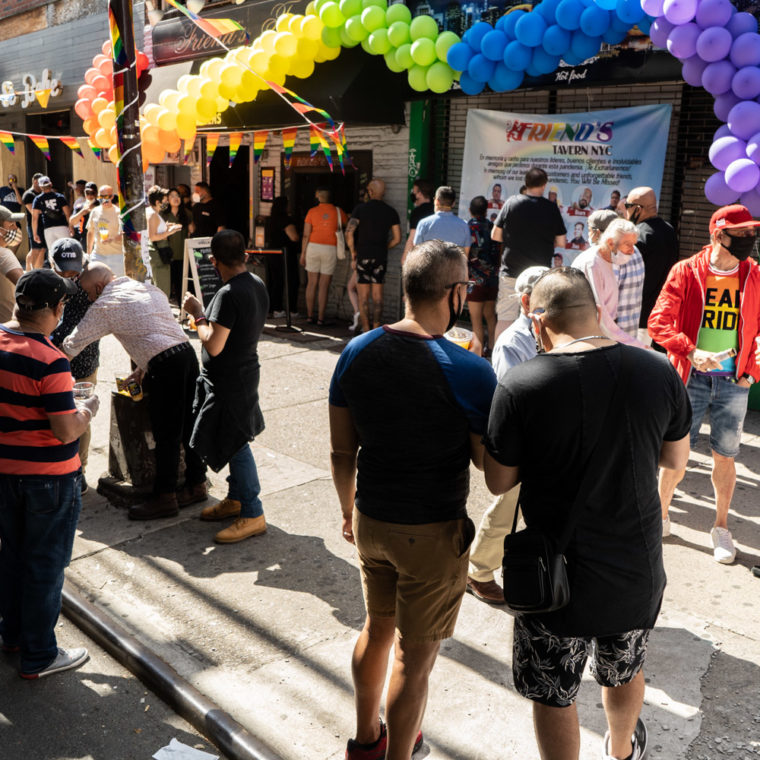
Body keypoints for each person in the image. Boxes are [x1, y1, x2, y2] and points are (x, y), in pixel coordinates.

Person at [484, 266, 691, 760]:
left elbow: (498, 481)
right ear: (597, 313)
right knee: (624, 668)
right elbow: (676, 461)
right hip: (634, 566)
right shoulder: (656, 370)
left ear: (538, 324)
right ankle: (622, 752)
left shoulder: (522, 384)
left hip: (554, 572)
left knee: (553, 689)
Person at [329, 239, 496, 760]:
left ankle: (365, 741)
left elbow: (341, 452)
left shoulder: (356, 351)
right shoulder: (470, 370)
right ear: (453, 293)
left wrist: (347, 511)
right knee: (414, 659)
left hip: (371, 518)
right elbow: (488, 469)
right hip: (431, 531)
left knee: (377, 631)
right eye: (465, 288)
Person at [0, 269, 99, 679]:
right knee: (44, 564)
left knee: (12, 556)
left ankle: (14, 635)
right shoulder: (51, 359)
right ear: (57, 309)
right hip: (49, 480)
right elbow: (65, 429)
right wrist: (88, 410)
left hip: (5, 473)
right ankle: (39, 655)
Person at [649, 204, 760, 563]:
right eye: (740, 233)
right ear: (717, 234)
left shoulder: (755, 275)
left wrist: (752, 371)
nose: (749, 238)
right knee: (675, 457)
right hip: (690, 377)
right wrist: (691, 352)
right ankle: (660, 516)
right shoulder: (686, 272)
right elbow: (659, 322)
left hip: (733, 382)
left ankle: (721, 527)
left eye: (751, 232)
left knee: (725, 457)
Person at [62, 262, 207, 521]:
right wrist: (143, 366)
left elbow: (74, 343)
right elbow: (155, 329)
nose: (90, 298)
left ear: (98, 286)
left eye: (89, 292)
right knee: (188, 425)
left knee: (167, 433)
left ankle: (165, 498)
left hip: (165, 366)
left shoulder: (105, 304)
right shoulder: (146, 288)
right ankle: (197, 484)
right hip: (186, 356)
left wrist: (42, 359)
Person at [182, 230, 270, 544]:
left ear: (214, 261)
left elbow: (214, 344)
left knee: (236, 441)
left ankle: (253, 512)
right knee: (233, 437)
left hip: (231, 378)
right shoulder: (256, 283)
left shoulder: (228, 293)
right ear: (245, 255)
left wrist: (198, 315)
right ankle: (237, 498)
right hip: (243, 372)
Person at [466, 265, 547, 604]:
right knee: (507, 510)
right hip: (525, 441)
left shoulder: (550, 332)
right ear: (526, 302)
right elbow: (512, 398)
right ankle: (479, 570)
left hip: (547, 438)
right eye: (546, 300)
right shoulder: (513, 341)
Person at [49, 238, 100, 495]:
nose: (69, 275)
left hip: (83, 364)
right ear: (52, 263)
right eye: (63, 270)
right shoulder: (47, 283)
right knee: (53, 415)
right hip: (49, 364)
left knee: (82, 416)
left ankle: (78, 472)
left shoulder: (92, 282)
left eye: (74, 270)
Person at [492, 167, 567, 339]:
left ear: (525, 183)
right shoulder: (551, 208)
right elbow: (561, 241)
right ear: (544, 185)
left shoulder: (511, 202)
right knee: (538, 318)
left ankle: (498, 362)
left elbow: (495, 235)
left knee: (505, 317)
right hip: (538, 275)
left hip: (511, 271)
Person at [572, 216, 649, 349]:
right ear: (611, 243)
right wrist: (634, 344)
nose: (632, 251)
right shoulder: (592, 264)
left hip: (603, 335)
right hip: (591, 338)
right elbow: (600, 318)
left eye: (633, 244)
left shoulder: (609, 259)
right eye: (628, 245)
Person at [345, 178, 401, 334]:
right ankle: (375, 331)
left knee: (363, 297)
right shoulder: (391, 211)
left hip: (363, 255)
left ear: (370, 191)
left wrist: (353, 253)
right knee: (378, 297)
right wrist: (384, 247)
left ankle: (366, 330)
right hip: (380, 257)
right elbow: (397, 238)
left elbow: (349, 233)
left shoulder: (360, 209)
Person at [624, 186, 678, 343]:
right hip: (662, 314)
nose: (625, 211)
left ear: (638, 209)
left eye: (628, 206)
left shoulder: (637, 235)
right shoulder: (669, 230)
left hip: (638, 316)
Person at [301, 188, 347, 325]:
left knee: (312, 283)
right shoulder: (338, 211)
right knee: (324, 285)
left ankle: (309, 316)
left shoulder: (311, 212)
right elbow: (346, 224)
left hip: (313, 247)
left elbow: (305, 235)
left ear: (318, 197)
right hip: (330, 248)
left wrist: (303, 253)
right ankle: (321, 318)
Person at [466, 195, 500, 356]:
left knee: (476, 318)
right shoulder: (492, 226)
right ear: (486, 211)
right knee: (490, 315)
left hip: (475, 280)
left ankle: (477, 354)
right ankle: (492, 349)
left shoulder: (467, 228)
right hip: (492, 279)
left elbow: (465, 254)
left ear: (470, 211)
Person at [266, 196, 300, 319]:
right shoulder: (285, 220)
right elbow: (294, 237)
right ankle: (289, 310)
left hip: (271, 253)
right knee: (291, 281)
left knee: (274, 281)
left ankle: (273, 308)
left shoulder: (270, 219)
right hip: (285, 254)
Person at [145, 186, 181, 298]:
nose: (166, 202)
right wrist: (169, 232)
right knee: (162, 288)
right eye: (165, 200)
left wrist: (165, 227)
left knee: (160, 286)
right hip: (158, 253)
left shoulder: (151, 212)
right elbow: (152, 236)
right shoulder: (152, 214)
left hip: (158, 252)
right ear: (157, 201)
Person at [413, 186, 471, 255]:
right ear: (453, 204)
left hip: (430, 265)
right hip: (455, 265)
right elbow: (465, 255)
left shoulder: (423, 224)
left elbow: (416, 251)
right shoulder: (464, 225)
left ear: (436, 201)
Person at [162, 187, 194, 303]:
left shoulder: (187, 213)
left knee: (183, 283)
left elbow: (192, 231)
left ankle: (183, 306)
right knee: (169, 282)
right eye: (172, 196)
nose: (176, 198)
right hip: (168, 253)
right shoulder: (163, 214)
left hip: (183, 252)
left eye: (178, 196)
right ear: (167, 199)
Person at [86, 184, 124, 276]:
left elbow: (123, 234)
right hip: (98, 255)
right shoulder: (95, 211)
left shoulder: (119, 212)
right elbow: (90, 232)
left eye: (107, 197)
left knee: (117, 285)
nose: (104, 199)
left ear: (112, 197)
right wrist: (89, 253)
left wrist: (112, 239)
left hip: (116, 256)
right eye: (101, 197)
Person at [31, 176, 71, 258]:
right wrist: (71, 227)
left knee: (52, 252)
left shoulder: (38, 199)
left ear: (40, 187)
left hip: (48, 229)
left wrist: (35, 233)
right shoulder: (59, 197)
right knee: (67, 250)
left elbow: (35, 218)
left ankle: (54, 269)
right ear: (51, 184)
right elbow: (67, 213)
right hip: (62, 227)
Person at [400, 178, 434, 265]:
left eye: (414, 192)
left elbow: (412, 238)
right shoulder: (436, 210)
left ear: (419, 194)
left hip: (421, 257)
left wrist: (404, 259)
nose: (412, 194)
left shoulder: (417, 212)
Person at [0, 206, 25, 321]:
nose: (16, 228)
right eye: (11, 225)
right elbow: (25, 286)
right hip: (7, 325)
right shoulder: (4, 255)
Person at [23, 173, 45, 270]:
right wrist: (46, 210)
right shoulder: (28, 194)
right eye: (41, 183)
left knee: (42, 249)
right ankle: (29, 272)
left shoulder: (41, 194)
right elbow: (33, 212)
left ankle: (37, 271)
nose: (42, 185)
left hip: (42, 225)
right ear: (35, 182)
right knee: (35, 250)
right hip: (33, 226)